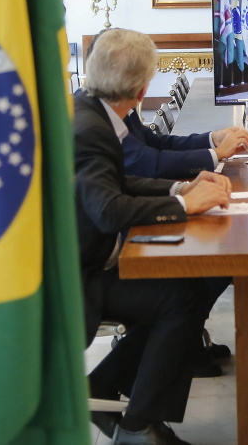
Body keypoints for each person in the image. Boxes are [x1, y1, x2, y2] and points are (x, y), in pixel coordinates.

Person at [75, 28, 233, 445]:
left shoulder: (91, 109)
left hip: (90, 255)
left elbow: (121, 181)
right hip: (79, 272)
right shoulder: (89, 129)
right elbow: (107, 210)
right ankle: (135, 428)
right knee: (181, 298)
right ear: (144, 88)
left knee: (190, 288)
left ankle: (107, 389)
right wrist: (183, 205)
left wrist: (179, 190)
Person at [85, 28, 248, 179]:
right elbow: (146, 164)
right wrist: (217, 154)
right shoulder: (91, 124)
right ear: (141, 92)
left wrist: (212, 139)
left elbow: (155, 143)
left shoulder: (110, 102)